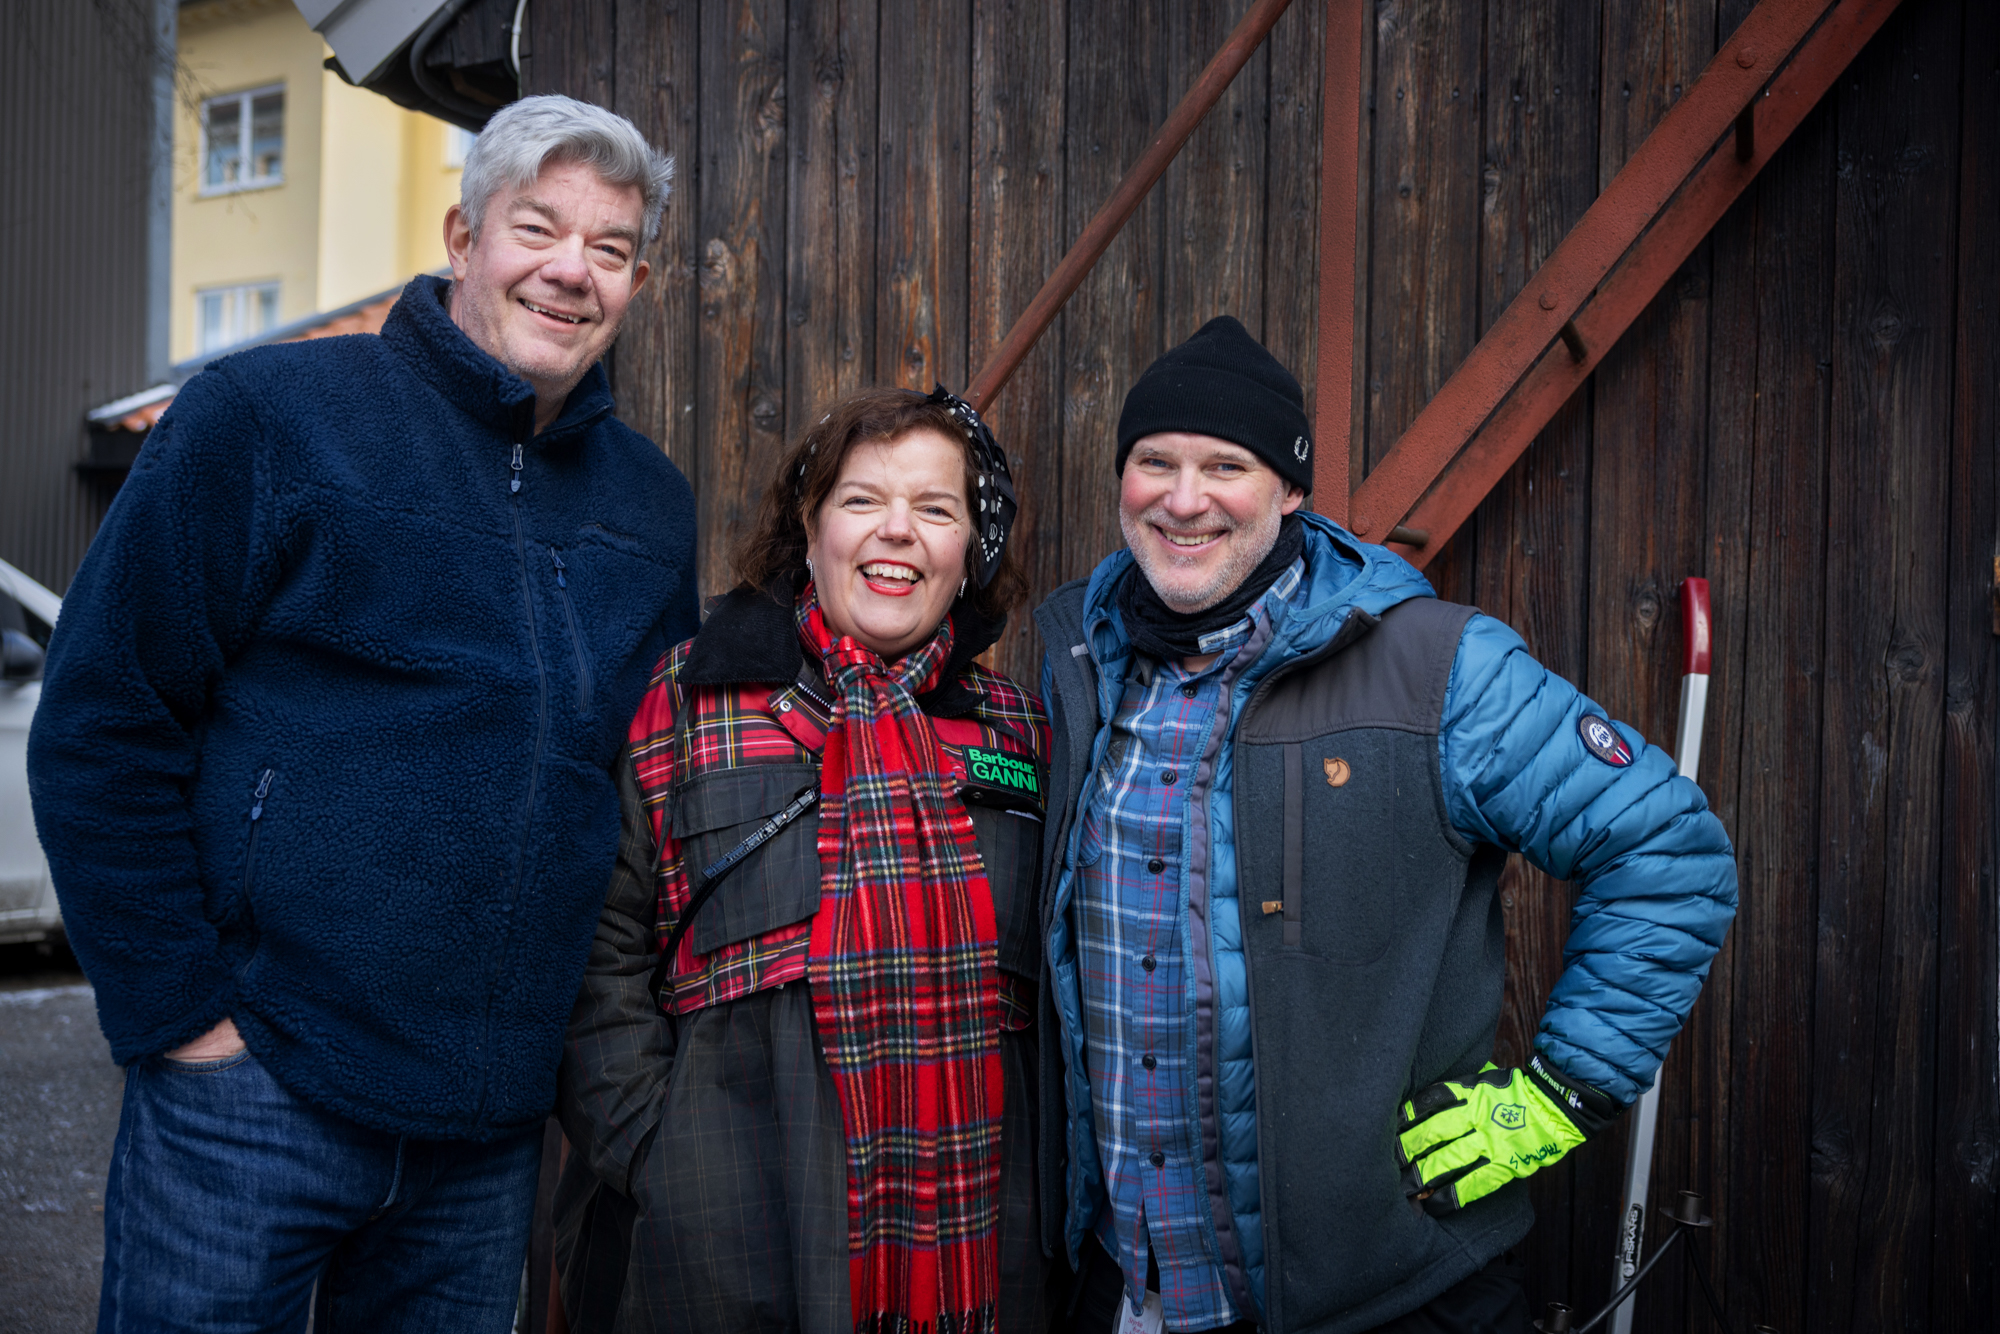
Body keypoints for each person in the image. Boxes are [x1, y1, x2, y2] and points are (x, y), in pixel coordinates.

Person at [27, 95, 697, 1333]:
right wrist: (184, 1017)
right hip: (256, 1093)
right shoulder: (270, 417)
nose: (569, 270)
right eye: (536, 227)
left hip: (485, 1132)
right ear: (461, 235)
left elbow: (642, 796)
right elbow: (103, 716)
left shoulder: (648, 507)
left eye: (607, 250)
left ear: (638, 280)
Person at [1032, 317, 1738, 1333]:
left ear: (1288, 491)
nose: (1182, 498)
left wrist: (1555, 1095)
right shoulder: (1081, 664)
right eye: (1154, 462)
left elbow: (1666, 848)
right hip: (1124, 1282)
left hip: (1381, 1293)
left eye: (1224, 464)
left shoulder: (1435, 670)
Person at [553, 387, 1052, 1334]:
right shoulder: (692, 702)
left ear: (968, 553)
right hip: (726, 1226)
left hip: (978, 1229)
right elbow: (597, 939)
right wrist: (657, 1149)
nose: (897, 532)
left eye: (936, 509)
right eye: (862, 500)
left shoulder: (1020, 732)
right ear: (810, 527)